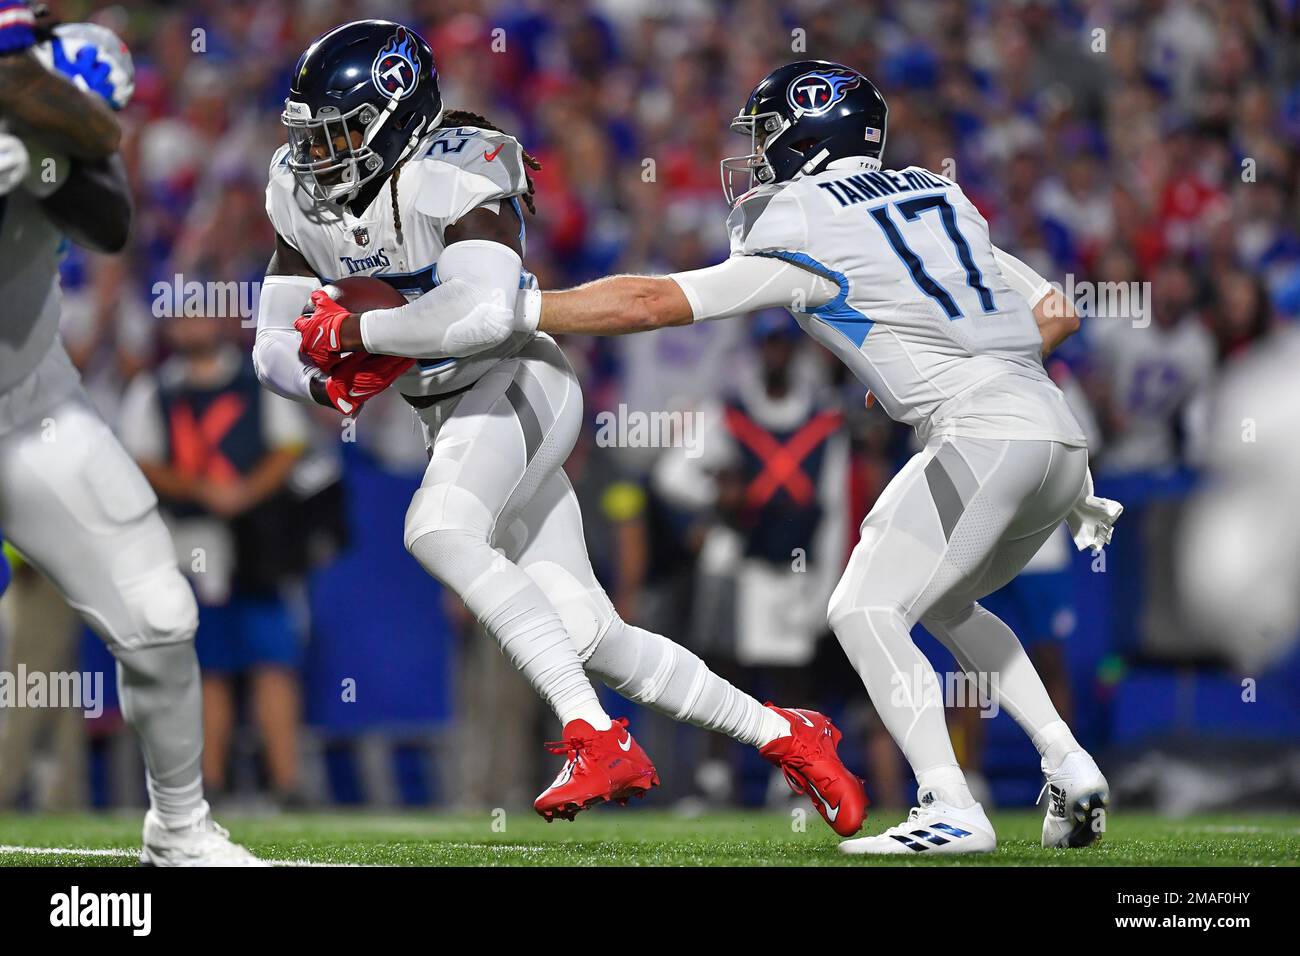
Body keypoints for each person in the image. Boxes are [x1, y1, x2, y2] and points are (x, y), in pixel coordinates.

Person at [254, 21, 866, 833]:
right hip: (453, 414)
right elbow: (271, 345)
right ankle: (789, 734)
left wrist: (361, 338)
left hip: (518, 382)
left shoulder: (458, 168)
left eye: (337, 132)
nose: (318, 155)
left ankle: (593, 734)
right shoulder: (300, 193)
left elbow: (482, 314)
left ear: (395, 117)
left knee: (437, 528)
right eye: (311, 136)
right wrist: (328, 386)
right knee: (590, 633)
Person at [505, 61, 1123, 854]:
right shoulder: (940, 194)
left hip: (983, 435)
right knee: (942, 604)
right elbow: (1058, 311)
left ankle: (950, 804)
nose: (758, 155)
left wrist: (523, 309)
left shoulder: (799, 216)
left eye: (766, 134)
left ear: (809, 132)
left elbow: (655, 301)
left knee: (862, 608)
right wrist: (950, 358)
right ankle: (1070, 765)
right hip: (1057, 437)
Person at [0, 7, 258, 863]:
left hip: (33, 414)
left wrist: (39, 165)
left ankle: (179, 826)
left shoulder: (57, 129)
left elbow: (107, 216)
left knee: (158, 612)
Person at [119, 313, 312, 804]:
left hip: (258, 543)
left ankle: (287, 782)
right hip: (190, 541)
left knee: (274, 661)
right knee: (209, 665)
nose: (191, 327)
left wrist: (244, 492)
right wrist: (203, 490)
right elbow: (140, 460)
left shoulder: (257, 380)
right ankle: (210, 781)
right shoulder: (154, 390)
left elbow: (291, 445)